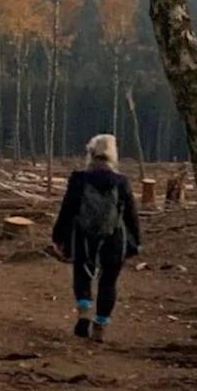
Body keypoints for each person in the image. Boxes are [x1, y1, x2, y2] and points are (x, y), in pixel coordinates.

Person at [51, 133, 141, 342]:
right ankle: (100, 327)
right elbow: (131, 215)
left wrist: (58, 235)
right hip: (114, 238)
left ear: (91, 154)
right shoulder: (121, 182)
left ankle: (84, 314)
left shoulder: (79, 179)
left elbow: (68, 209)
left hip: (83, 237)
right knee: (108, 282)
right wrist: (136, 241)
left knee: (82, 275)